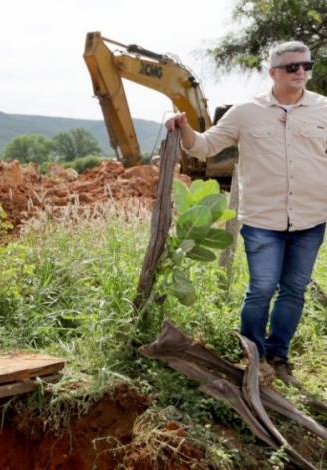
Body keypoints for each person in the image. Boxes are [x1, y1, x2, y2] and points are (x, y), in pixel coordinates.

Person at [166, 40, 327, 387]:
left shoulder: (323, 109)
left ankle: (278, 357)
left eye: (307, 65)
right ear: (273, 73)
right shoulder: (246, 112)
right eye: (293, 67)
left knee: (294, 289)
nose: (301, 72)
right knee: (262, 288)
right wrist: (183, 128)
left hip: (311, 218)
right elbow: (205, 146)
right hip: (263, 221)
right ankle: (253, 354)